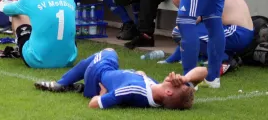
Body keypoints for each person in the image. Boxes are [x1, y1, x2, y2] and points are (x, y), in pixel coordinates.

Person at [34, 48, 207, 110]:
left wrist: (102, 95)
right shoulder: (158, 91)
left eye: (179, 84)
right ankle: (77, 86)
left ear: (169, 92)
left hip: (99, 74)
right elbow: (203, 71)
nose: (177, 80)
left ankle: (61, 83)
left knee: (109, 52)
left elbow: (94, 104)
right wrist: (185, 78)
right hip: (110, 77)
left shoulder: (133, 89)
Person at [161, 0, 254, 77]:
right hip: (235, 30)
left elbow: (193, 21)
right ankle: (228, 57)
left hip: (237, 31)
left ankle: (225, 60)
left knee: (180, 32)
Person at [1, 0, 77, 69]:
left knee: (18, 14)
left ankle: (21, 47)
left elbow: (6, 10)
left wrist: (18, 3)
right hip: (68, 60)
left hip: (37, 60)